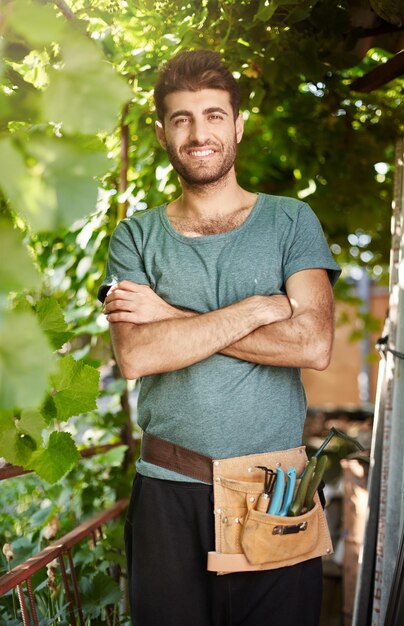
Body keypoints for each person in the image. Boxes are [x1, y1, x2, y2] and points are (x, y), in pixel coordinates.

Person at [99, 50, 341, 626]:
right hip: (168, 490)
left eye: (213, 115)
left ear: (237, 125)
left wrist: (169, 314)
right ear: (162, 133)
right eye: (182, 119)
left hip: (274, 492)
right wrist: (258, 309)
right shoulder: (135, 237)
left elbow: (312, 344)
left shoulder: (291, 222)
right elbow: (136, 355)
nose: (198, 132)